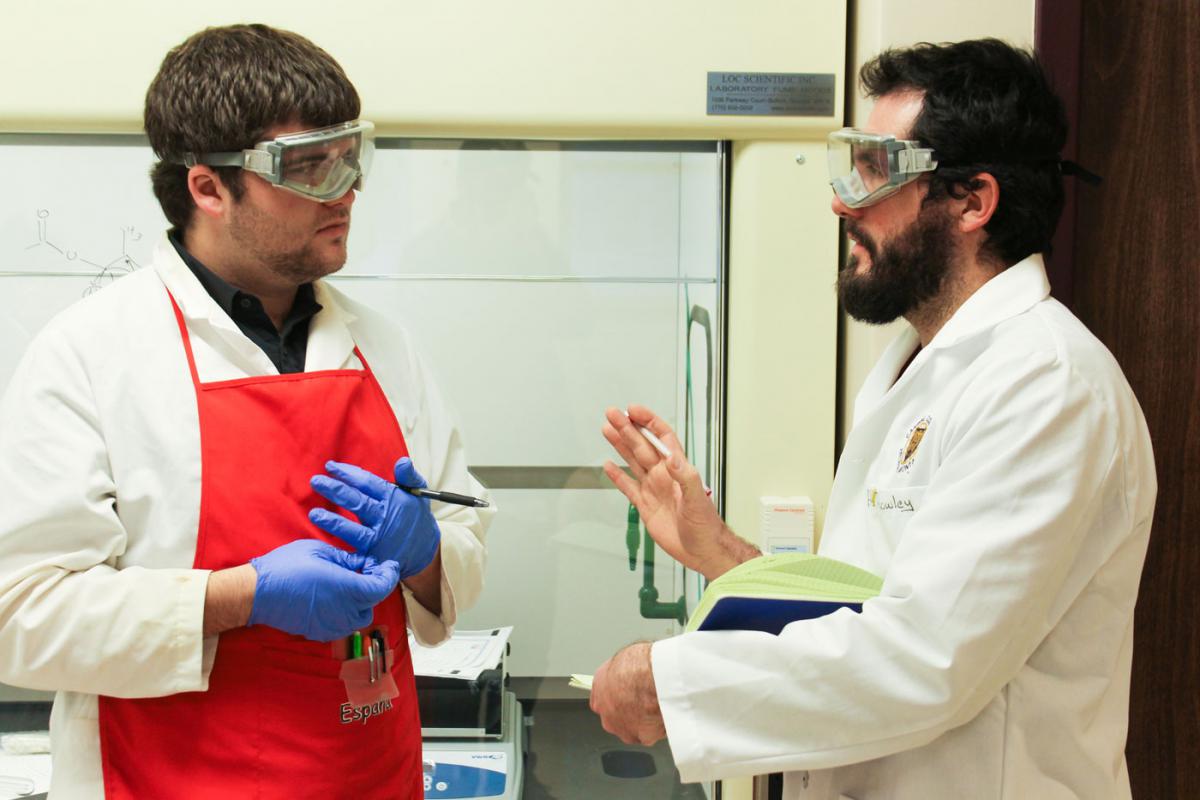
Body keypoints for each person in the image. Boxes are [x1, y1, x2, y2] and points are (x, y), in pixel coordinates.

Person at [591, 38, 1156, 800]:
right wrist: (721, 550)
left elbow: (925, 659)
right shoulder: (915, 366)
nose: (841, 201)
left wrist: (669, 683)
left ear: (972, 201)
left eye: (875, 170)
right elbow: (869, 603)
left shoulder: (1048, 387)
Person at [0, 24, 491, 799]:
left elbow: (462, 544)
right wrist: (243, 597)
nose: (346, 189)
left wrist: (427, 550)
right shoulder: (91, 356)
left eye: (349, 155)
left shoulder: (384, 350)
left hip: (369, 775)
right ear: (207, 188)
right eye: (307, 167)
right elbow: (18, 616)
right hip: (164, 779)